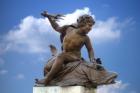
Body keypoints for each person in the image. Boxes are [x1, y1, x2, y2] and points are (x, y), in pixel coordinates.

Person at [39, 11, 96, 85]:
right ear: (83, 24)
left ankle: (47, 79)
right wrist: (49, 17)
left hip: (74, 56)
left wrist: (92, 59)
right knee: (47, 67)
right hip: (65, 54)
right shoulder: (68, 29)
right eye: (89, 25)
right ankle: (54, 80)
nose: (90, 28)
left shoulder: (85, 38)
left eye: (91, 26)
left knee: (61, 56)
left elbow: (90, 50)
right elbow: (57, 27)